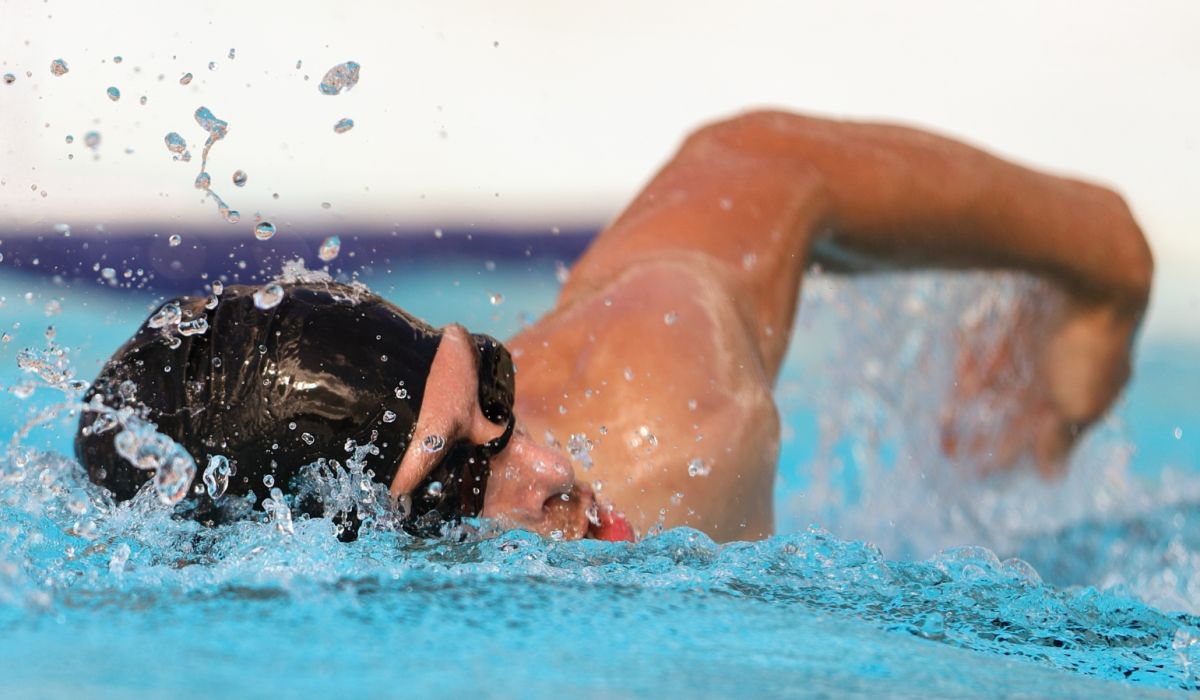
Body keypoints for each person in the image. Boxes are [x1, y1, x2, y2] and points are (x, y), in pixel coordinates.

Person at [76, 110, 1154, 543]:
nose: (549, 464)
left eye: (493, 386)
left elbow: (769, 164)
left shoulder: (680, 416)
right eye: (455, 479)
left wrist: (1088, 320)